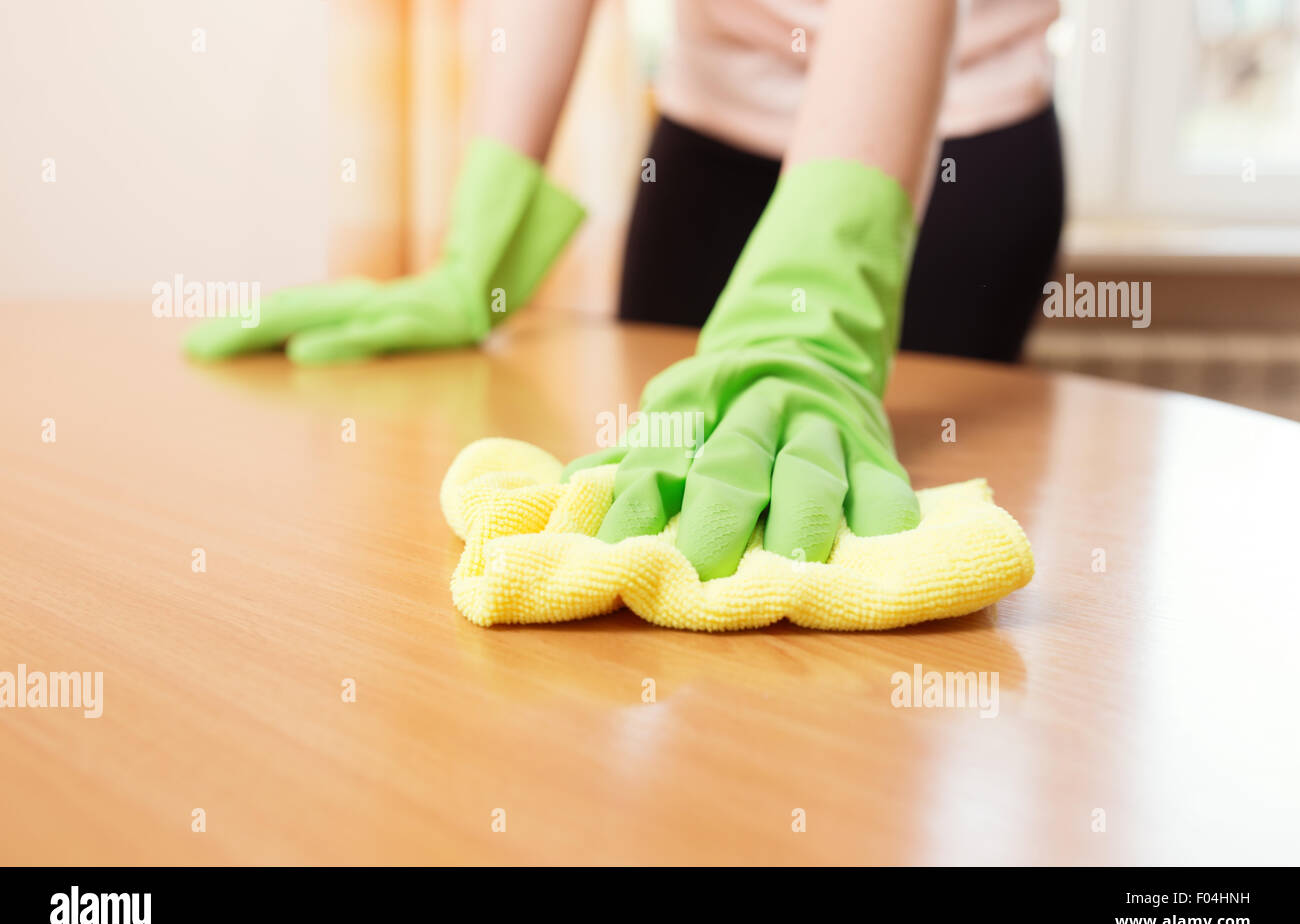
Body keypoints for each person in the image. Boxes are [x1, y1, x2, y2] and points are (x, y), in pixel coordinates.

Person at [185, 0, 1063, 580]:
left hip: (943, 138)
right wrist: (476, 255)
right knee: (668, 515)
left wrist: (814, 312)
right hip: (707, 135)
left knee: (840, 548)